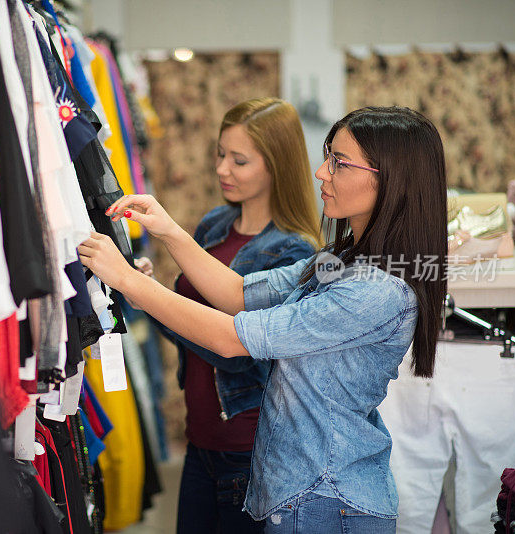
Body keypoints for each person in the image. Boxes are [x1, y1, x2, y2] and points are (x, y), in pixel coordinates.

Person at [79, 106, 447, 534]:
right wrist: (168, 230)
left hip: (328, 500)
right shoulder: (339, 259)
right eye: (329, 157)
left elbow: (233, 338)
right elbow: (240, 294)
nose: (321, 173)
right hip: (303, 490)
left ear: (391, 179)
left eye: (339, 163)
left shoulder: (375, 290)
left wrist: (127, 279)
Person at [136, 98, 322, 534]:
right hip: (199, 442)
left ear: (276, 165)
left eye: (239, 160)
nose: (222, 169)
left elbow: (239, 351)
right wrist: (148, 295)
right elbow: (190, 328)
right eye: (221, 154)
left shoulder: (295, 252)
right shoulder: (215, 224)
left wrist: (150, 296)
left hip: (250, 451)